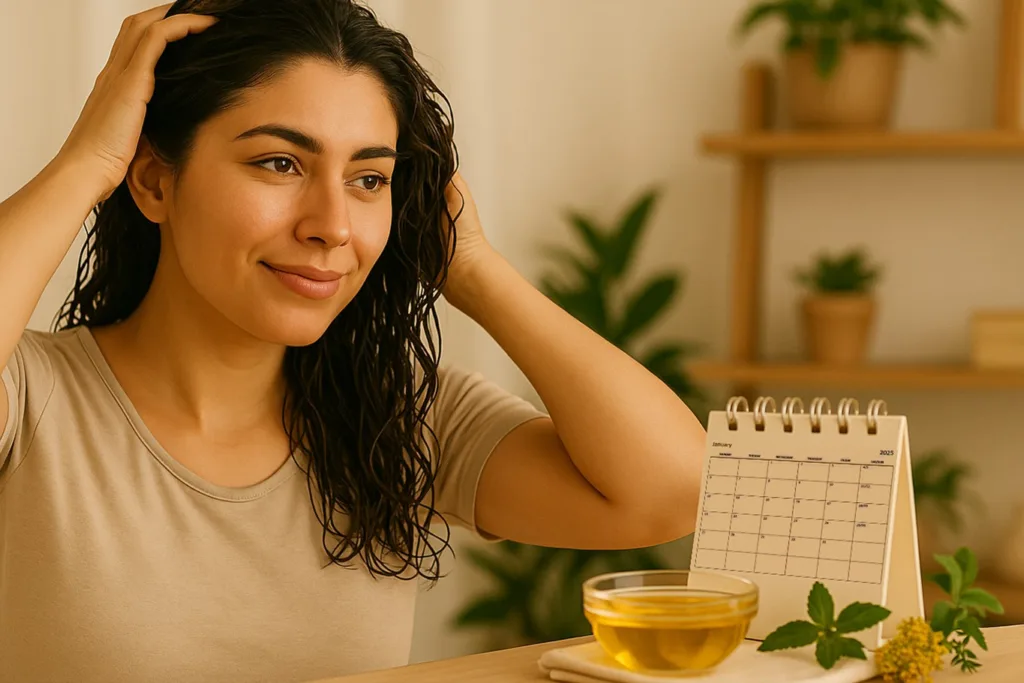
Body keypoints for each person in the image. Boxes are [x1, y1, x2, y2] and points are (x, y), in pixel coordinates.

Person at [0, 1, 706, 680]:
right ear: (153, 180)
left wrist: (475, 270)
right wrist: (86, 164)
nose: (333, 224)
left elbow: (673, 490)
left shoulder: (397, 419)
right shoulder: (29, 400)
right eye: (280, 163)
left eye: (369, 178)